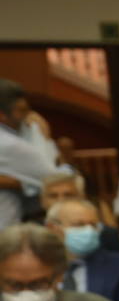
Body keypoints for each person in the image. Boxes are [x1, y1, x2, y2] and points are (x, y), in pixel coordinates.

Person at [0, 80, 59, 229]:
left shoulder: (25, 130)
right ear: (2, 116)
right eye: (22, 111)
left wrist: (18, 183)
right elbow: (55, 178)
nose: (28, 115)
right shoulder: (9, 143)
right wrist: (44, 136)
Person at [39, 171, 119, 252]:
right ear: (42, 201)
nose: (61, 200)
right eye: (53, 196)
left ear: (81, 198)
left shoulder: (107, 235)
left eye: (68, 195)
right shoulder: (33, 235)